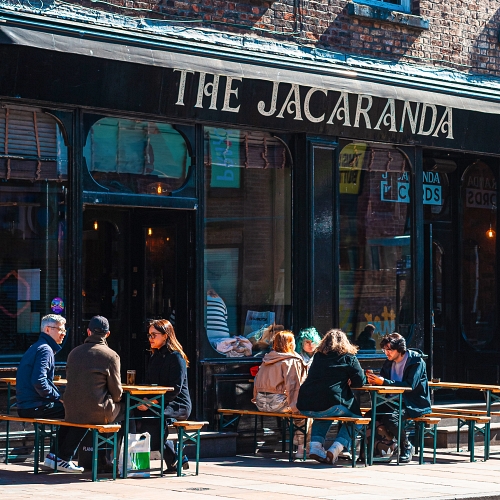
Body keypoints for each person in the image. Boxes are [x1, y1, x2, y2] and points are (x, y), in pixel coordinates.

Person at [15, 314, 84, 472]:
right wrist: (58, 397)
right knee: (81, 413)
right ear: (47, 329)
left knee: (71, 412)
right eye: (60, 329)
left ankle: (55, 457)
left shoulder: (38, 347)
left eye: (64, 329)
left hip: (27, 405)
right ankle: (62, 458)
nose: (63, 333)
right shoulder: (45, 350)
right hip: (34, 405)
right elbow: (39, 381)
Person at [61, 315, 124, 471]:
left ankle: (101, 458)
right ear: (107, 334)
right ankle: (111, 460)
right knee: (125, 410)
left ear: (88, 332)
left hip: (70, 410)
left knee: (85, 412)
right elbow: (117, 393)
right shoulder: (111, 356)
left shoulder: (73, 353)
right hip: (96, 411)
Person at [296, 329, 366, 465]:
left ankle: (316, 448)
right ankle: (335, 449)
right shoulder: (348, 357)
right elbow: (360, 381)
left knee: (322, 412)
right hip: (332, 402)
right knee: (358, 420)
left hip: (305, 403)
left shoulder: (317, 356)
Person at [366, 332, 432, 463]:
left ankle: (406, 446)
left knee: (391, 418)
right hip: (391, 401)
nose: (386, 353)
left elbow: (410, 385)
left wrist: (384, 382)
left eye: (389, 349)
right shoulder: (388, 362)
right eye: (385, 349)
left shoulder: (416, 361)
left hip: (412, 402)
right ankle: (374, 449)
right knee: (369, 415)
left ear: (400, 349)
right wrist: (372, 380)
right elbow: (383, 380)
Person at [137, 319, 192, 474]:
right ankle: (176, 459)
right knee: (137, 413)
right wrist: (145, 400)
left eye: (154, 335)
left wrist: (151, 403)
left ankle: (174, 459)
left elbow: (175, 389)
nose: (150, 339)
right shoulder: (154, 357)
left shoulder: (176, 357)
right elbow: (150, 384)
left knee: (152, 416)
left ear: (166, 335)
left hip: (178, 403)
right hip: (158, 402)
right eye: (149, 335)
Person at [252, 330, 307, 455]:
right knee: (304, 414)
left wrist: (255, 398)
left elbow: (256, 381)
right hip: (277, 403)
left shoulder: (267, 359)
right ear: (289, 344)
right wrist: (296, 408)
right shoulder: (291, 360)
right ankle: (301, 449)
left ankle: (302, 446)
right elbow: (294, 387)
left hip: (260, 403)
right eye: (292, 342)